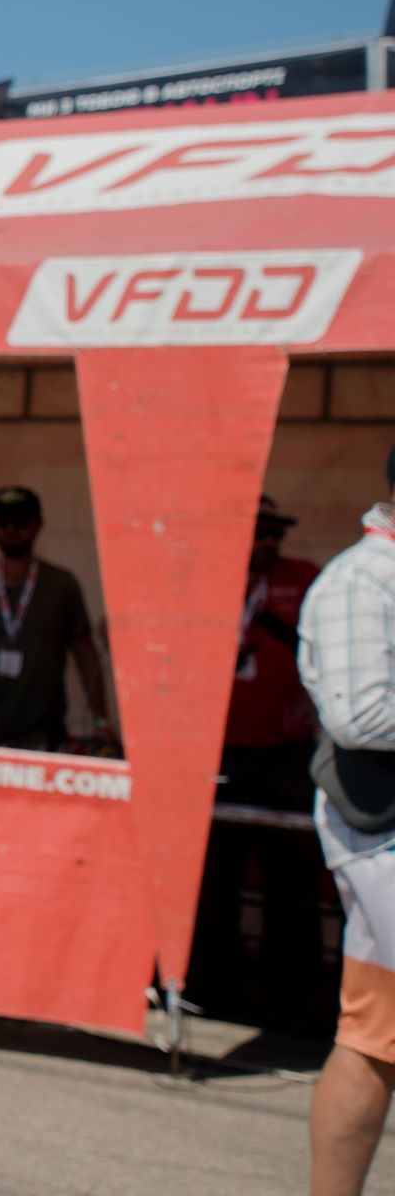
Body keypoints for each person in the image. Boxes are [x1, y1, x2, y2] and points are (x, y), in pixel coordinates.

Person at [187, 497, 327, 1029]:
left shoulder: (305, 579)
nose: (268, 542)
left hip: (285, 752)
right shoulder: (206, 581)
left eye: (275, 533)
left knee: (291, 880)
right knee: (215, 876)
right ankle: (210, 989)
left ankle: (294, 1001)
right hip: (218, 749)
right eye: (258, 532)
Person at [304, 448, 395, 1196]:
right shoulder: (361, 580)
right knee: (373, 1038)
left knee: (375, 1038)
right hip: (381, 833)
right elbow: (359, 715)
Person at [0, 485, 111, 751]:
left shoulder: (62, 584)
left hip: (44, 734)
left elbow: (85, 651)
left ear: (37, 525)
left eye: (20, 522)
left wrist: (101, 721)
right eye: (2, 522)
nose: (10, 530)